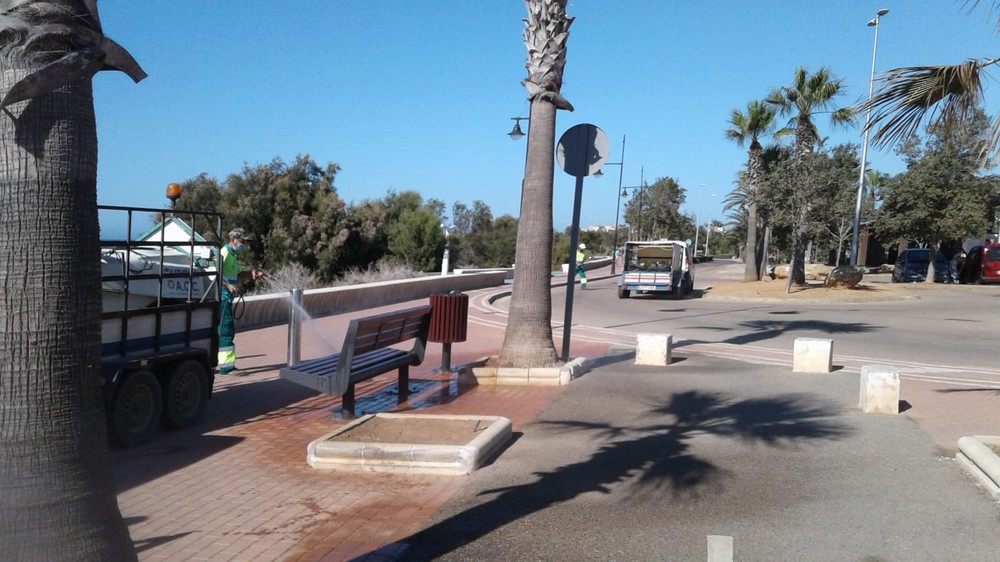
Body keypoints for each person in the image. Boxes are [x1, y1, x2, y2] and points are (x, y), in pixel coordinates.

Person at [217, 228, 264, 376]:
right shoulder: (223, 253)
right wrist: (228, 285)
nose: (243, 244)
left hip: (227, 299)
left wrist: (253, 274)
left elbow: (237, 274)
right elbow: (215, 274)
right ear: (234, 239)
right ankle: (226, 368)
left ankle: (226, 365)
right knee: (226, 330)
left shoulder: (233, 255)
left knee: (226, 329)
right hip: (222, 298)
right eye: (242, 241)